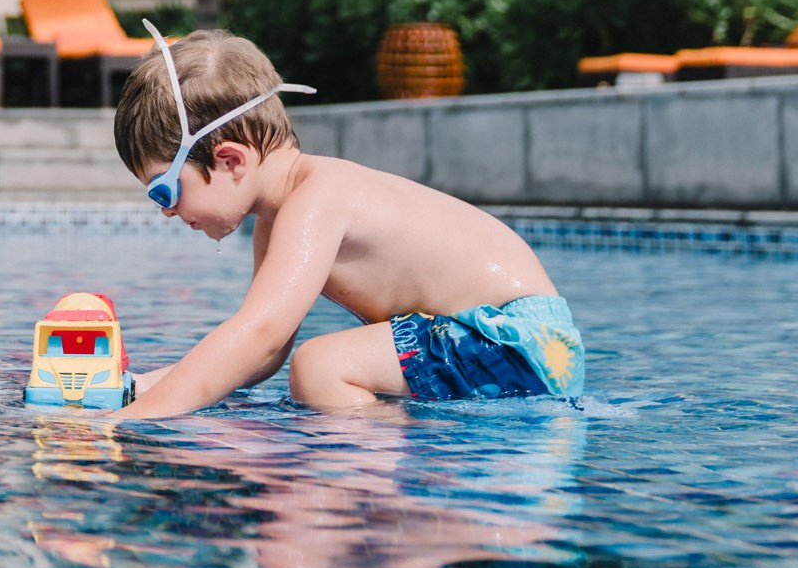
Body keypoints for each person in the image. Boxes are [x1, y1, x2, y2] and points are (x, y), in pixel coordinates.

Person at [113, 30, 583, 416]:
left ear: (231, 160)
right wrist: (136, 386)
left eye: (165, 189)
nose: (166, 210)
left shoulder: (318, 198)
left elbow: (261, 336)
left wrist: (130, 421)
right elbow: (262, 355)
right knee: (313, 366)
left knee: (320, 366)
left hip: (516, 339)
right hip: (516, 344)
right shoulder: (277, 219)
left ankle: (390, 464)